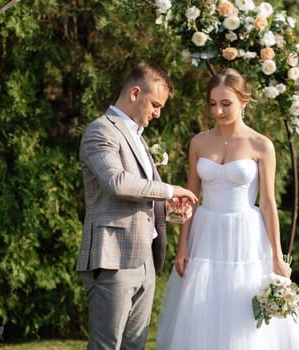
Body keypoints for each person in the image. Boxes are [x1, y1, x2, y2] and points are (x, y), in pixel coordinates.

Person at [156, 68, 299, 349]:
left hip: (246, 234)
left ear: (244, 101)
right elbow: (191, 197)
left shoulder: (261, 145)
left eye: (225, 104)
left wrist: (278, 256)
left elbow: (267, 203)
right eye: (212, 103)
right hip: (205, 232)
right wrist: (183, 247)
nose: (217, 111)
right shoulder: (199, 142)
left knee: (241, 308)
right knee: (201, 310)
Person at [77, 62, 198, 350]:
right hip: (113, 256)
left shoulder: (139, 139)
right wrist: (170, 189)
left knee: (135, 345)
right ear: (134, 92)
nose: (158, 113)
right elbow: (117, 182)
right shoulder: (100, 131)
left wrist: (170, 205)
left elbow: (142, 196)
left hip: (146, 257)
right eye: (155, 104)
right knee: (107, 344)